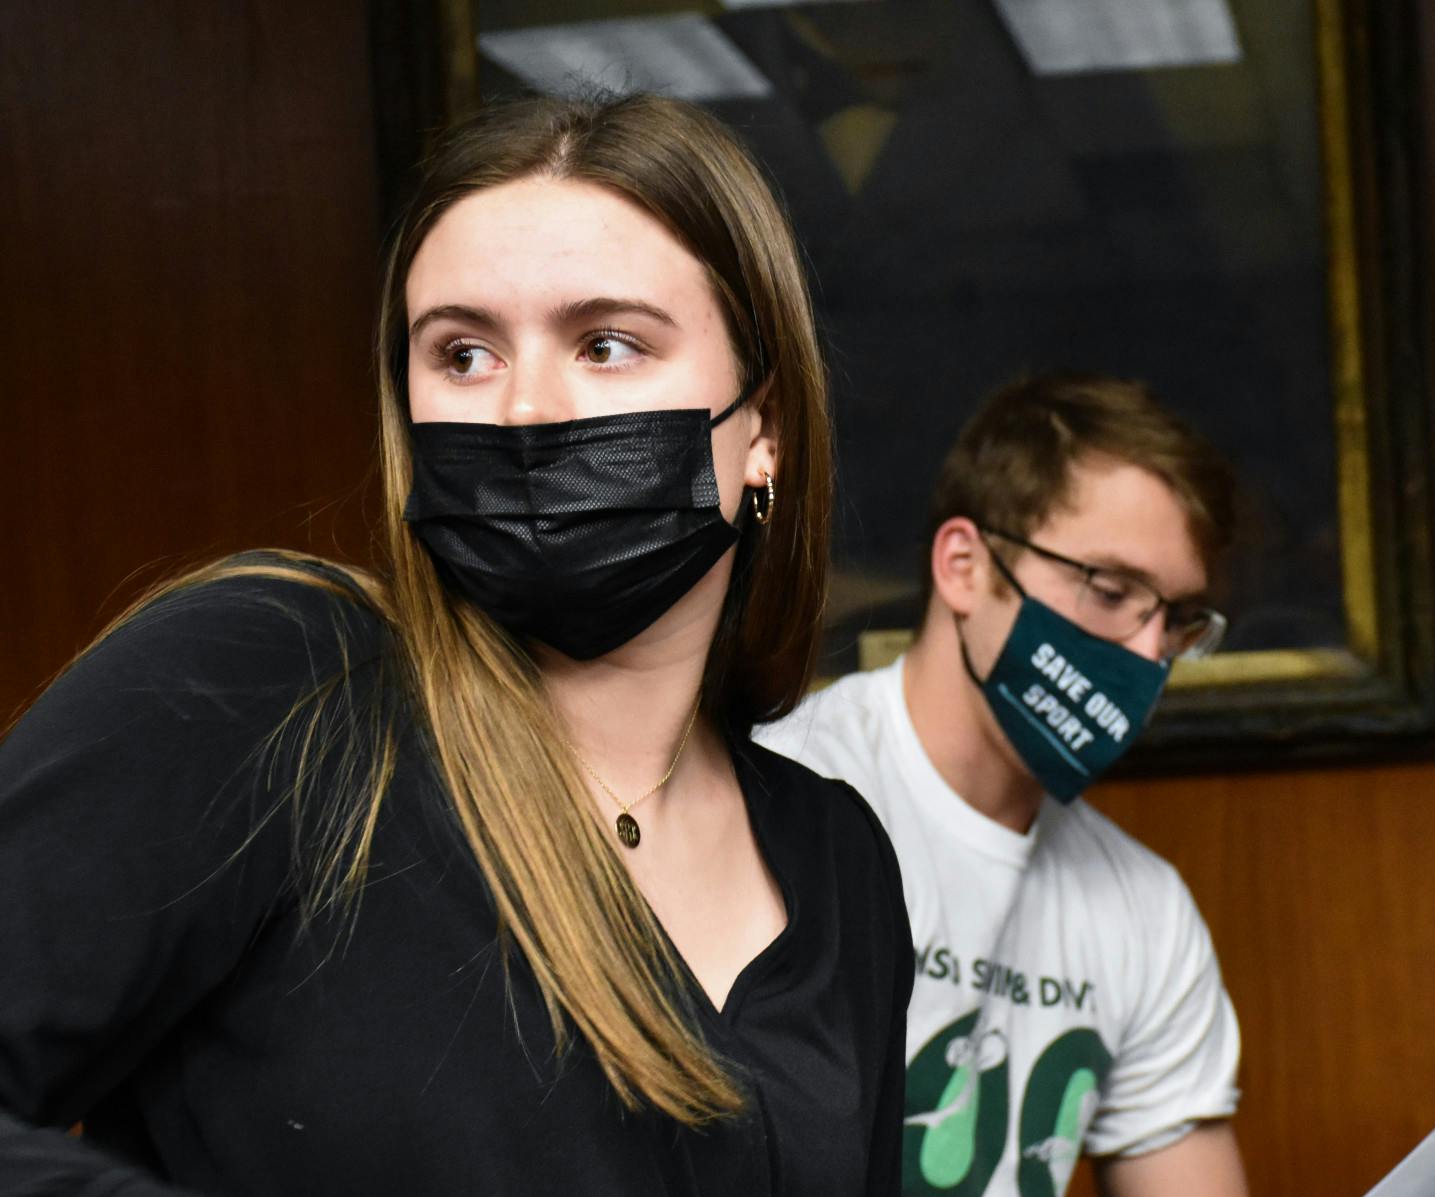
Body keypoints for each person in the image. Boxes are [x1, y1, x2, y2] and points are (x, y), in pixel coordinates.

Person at [0, 93, 911, 1194]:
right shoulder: (274, 684)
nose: (525, 409)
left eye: (606, 344)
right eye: (464, 354)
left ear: (760, 427)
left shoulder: (833, 857)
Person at [757, 374, 1248, 1197]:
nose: (1144, 653)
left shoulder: (1145, 913)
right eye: (1110, 592)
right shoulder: (772, 801)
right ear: (964, 566)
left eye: (1177, 619)